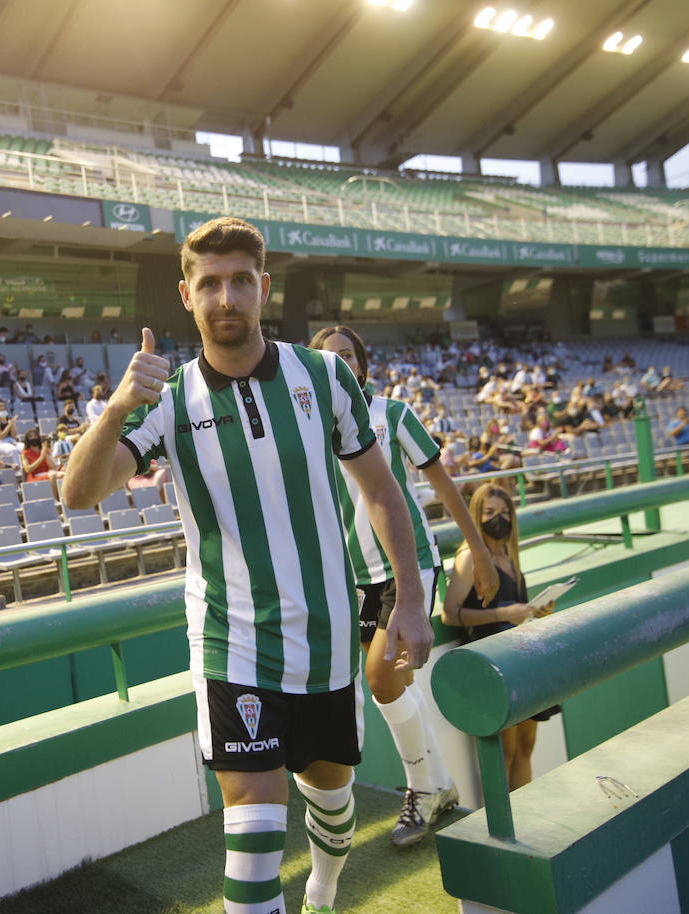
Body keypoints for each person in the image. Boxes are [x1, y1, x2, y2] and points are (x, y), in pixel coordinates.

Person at [61, 217, 429, 914]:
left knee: (334, 804)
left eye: (238, 282)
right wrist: (115, 406)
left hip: (327, 642)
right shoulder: (166, 403)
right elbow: (77, 493)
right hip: (234, 645)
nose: (225, 297)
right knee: (255, 830)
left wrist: (408, 599)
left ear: (263, 288)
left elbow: (382, 490)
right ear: (186, 295)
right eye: (209, 284)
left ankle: (322, 891)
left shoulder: (323, 377)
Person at [310, 325, 499, 846]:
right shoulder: (311, 432)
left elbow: (444, 487)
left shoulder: (393, 415)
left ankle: (422, 789)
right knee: (397, 686)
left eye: (348, 355)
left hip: (407, 566)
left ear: (363, 364)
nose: (341, 364)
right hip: (353, 576)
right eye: (329, 359)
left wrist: (479, 552)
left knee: (382, 679)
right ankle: (439, 785)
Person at [441, 484, 555, 790]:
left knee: (525, 747)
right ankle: (506, 825)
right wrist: (502, 615)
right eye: (489, 512)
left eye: (504, 513)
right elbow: (449, 613)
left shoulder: (507, 551)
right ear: (476, 515)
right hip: (493, 662)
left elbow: (513, 606)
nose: (498, 519)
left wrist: (534, 610)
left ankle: (525, 812)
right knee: (503, 751)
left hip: (521, 657)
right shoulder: (470, 557)